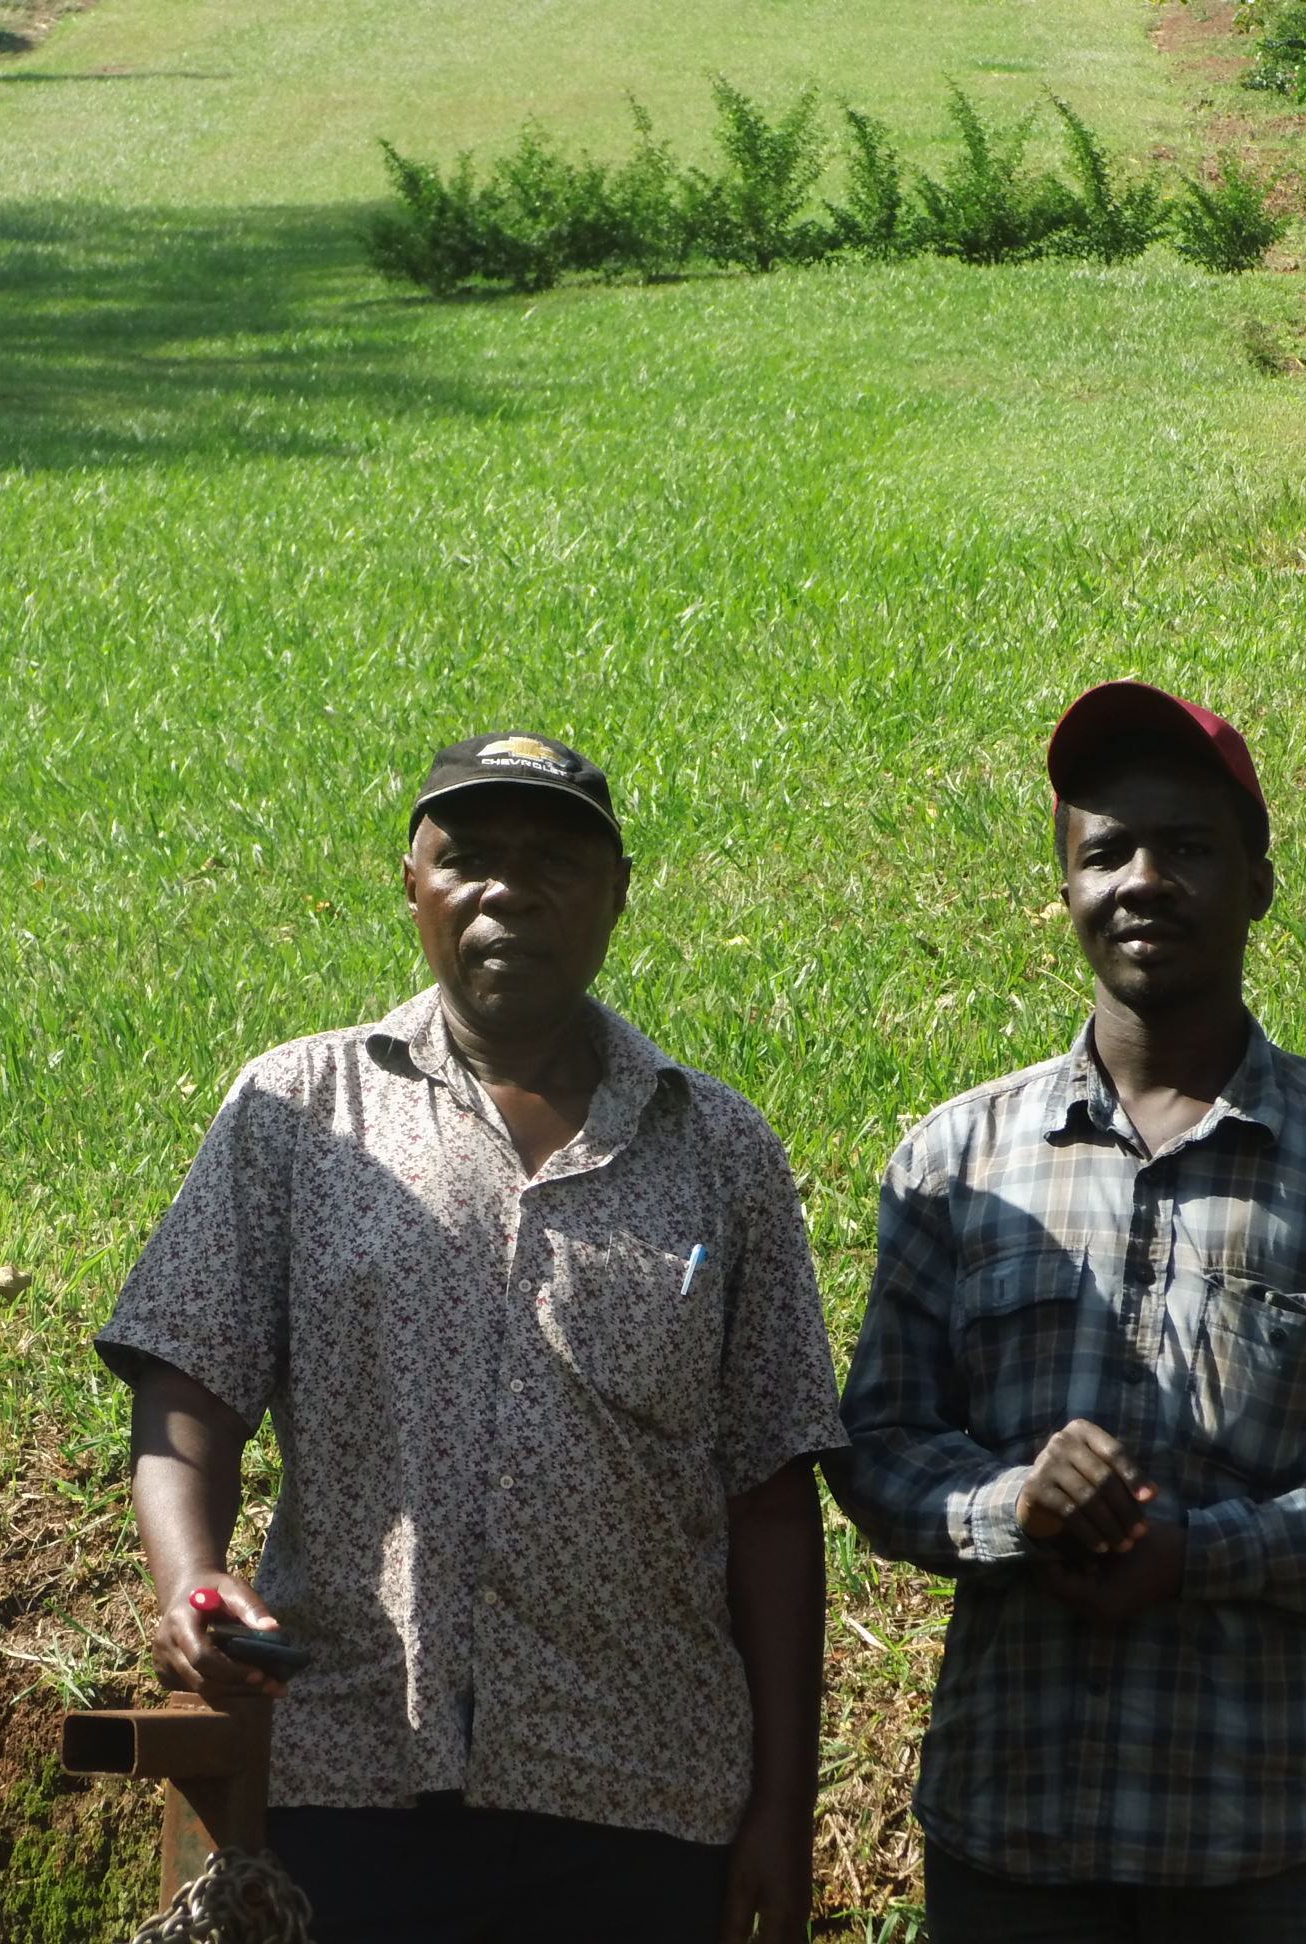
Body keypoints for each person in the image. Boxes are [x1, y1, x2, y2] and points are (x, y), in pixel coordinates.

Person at [96, 733, 847, 1944]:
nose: (510, 891)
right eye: (470, 858)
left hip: (646, 1797)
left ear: (618, 893)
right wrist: (190, 1577)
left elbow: (770, 1493)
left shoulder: (719, 1149)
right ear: (412, 884)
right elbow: (190, 1383)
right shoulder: (299, 1112)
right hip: (350, 1781)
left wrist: (782, 1807)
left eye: (556, 861)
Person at [829, 681, 1306, 1941]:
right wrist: (1012, 1510)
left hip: (1284, 1842)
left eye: (1189, 847)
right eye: (1107, 852)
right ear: (1065, 888)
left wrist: (1210, 1552)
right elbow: (877, 1448)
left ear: (1259, 883)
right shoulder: (955, 1160)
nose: (1144, 880)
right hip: (1017, 1837)